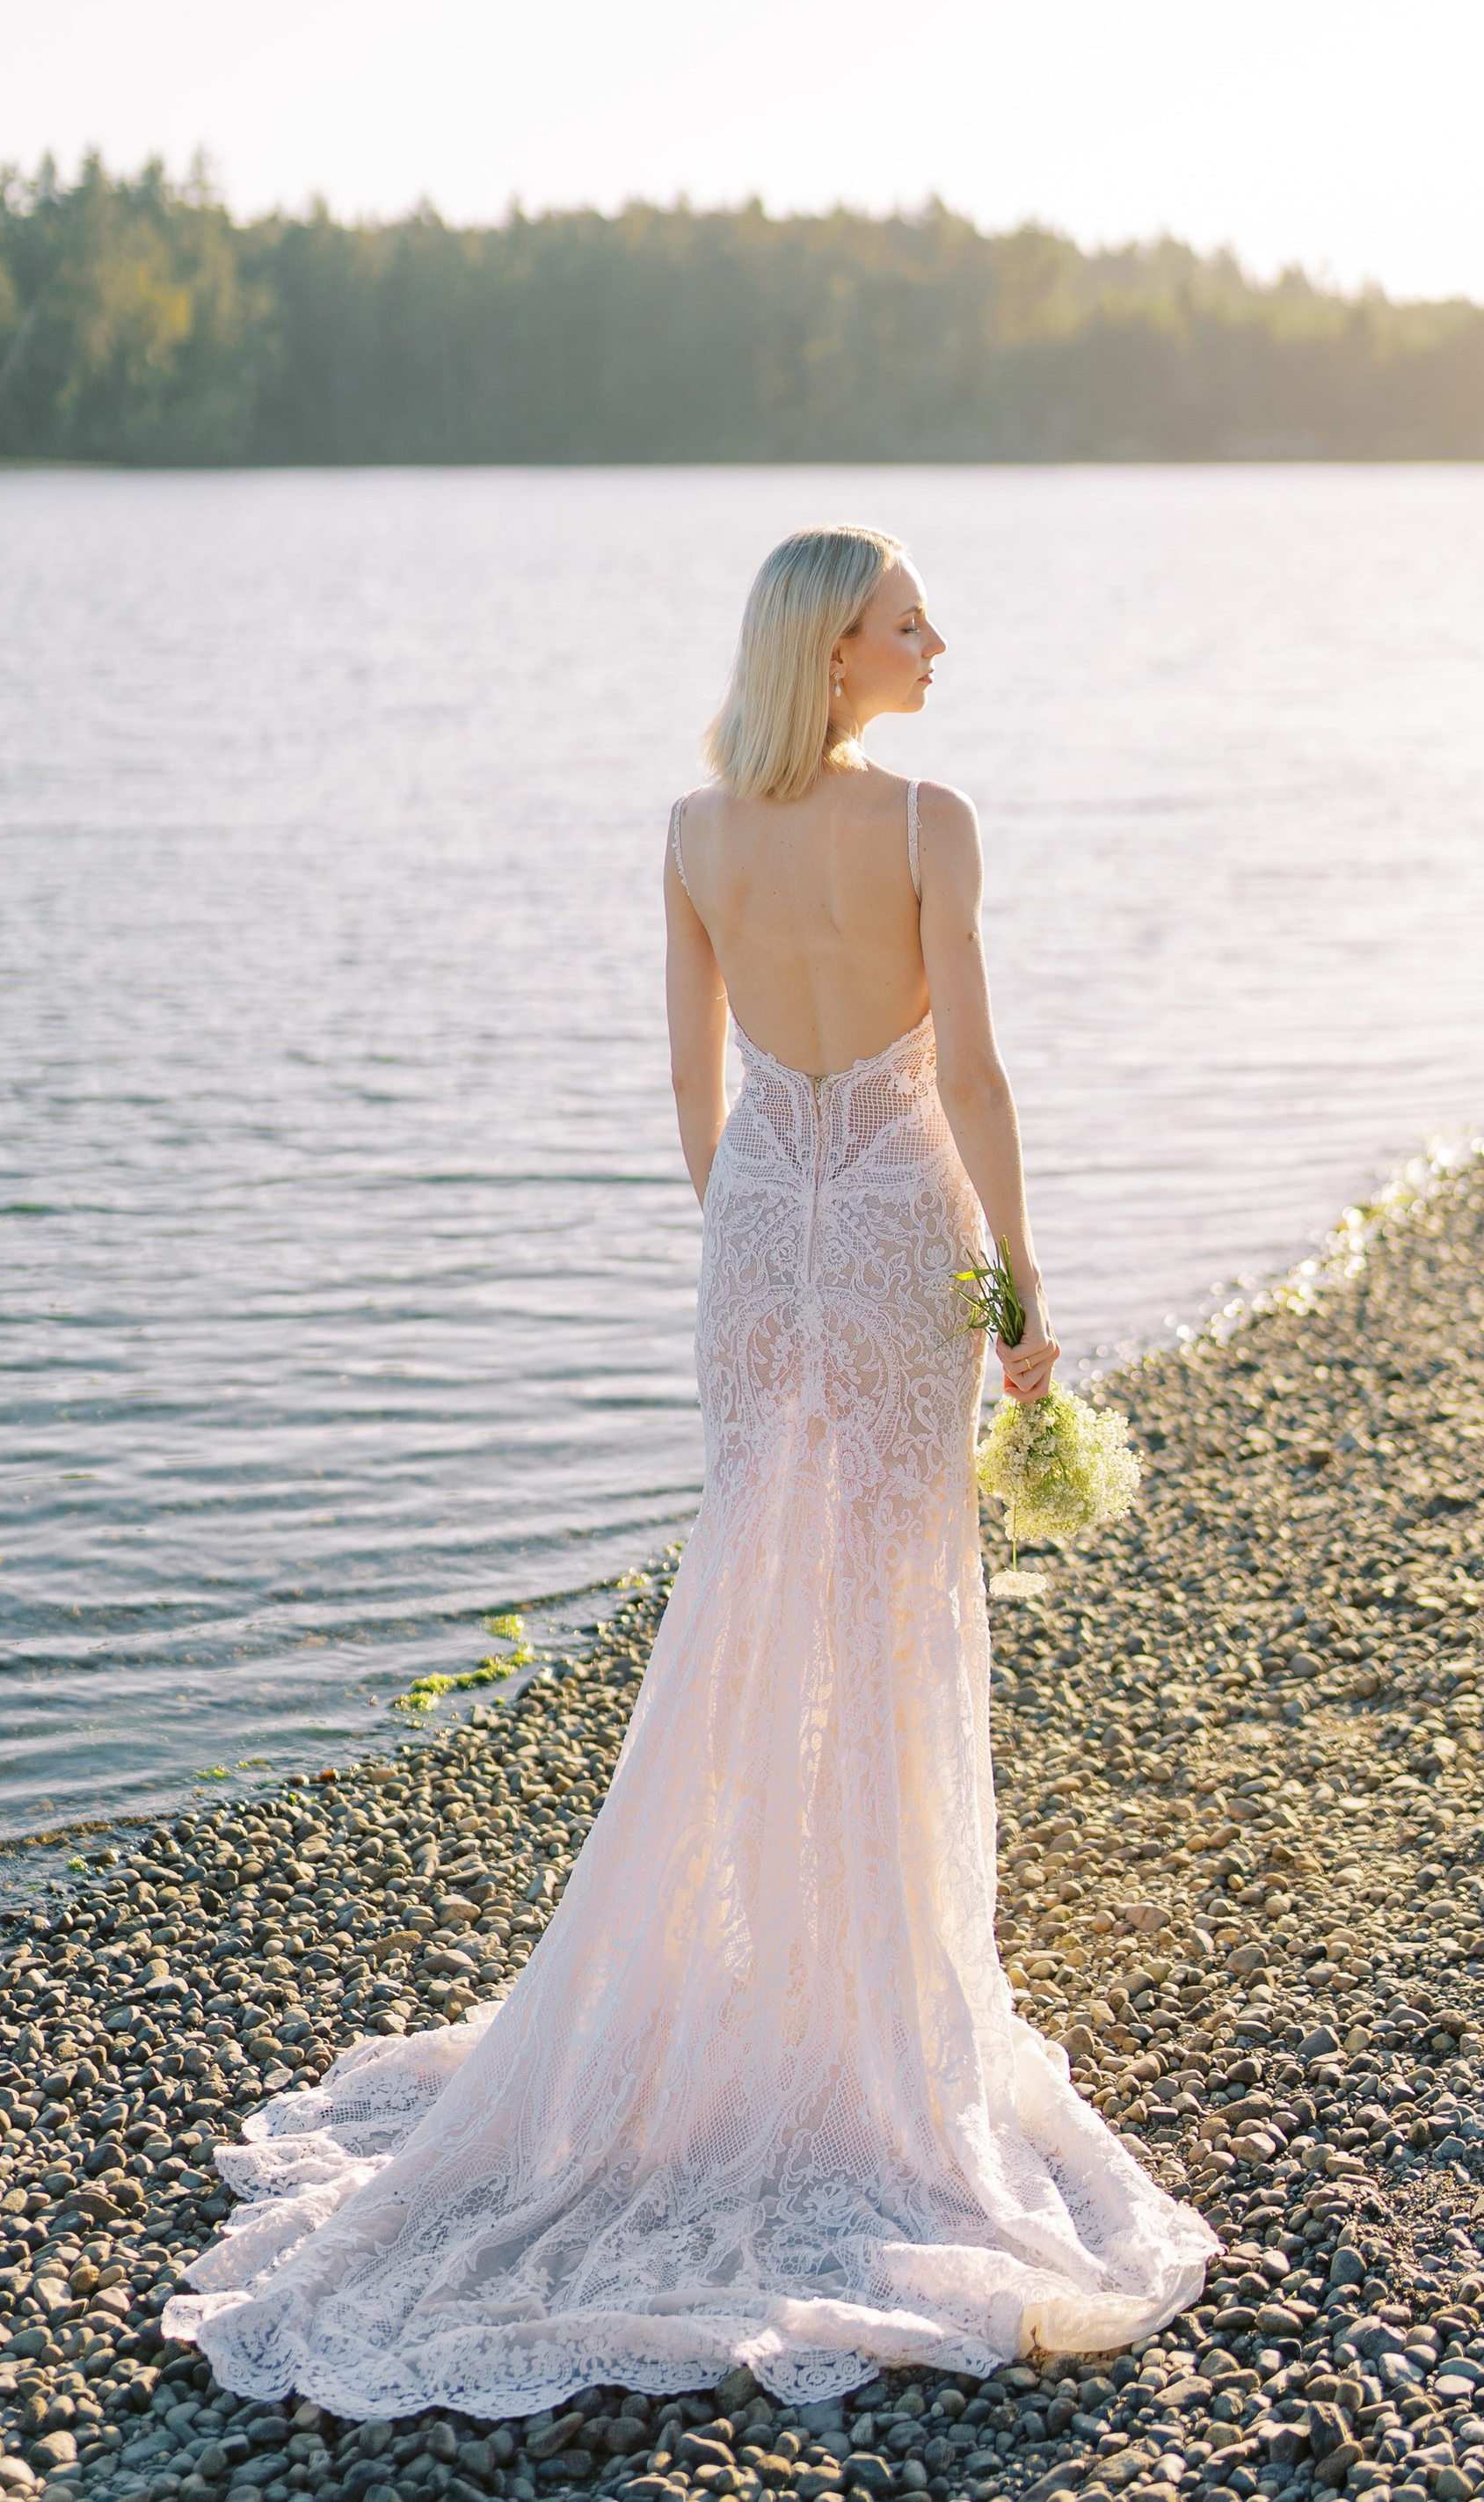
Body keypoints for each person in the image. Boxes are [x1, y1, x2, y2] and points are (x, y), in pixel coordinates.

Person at [162, 523, 1211, 2418]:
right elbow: (968, 1076)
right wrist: (1021, 1294)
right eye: (907, 621)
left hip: (758, 1232)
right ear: (828, 652)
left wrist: (759, 1222)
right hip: (896, 1219)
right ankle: (865, 2017)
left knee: (750, 1597)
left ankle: (744, 1982)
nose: (936, 640)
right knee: (888, 1612)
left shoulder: (688, 829)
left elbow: (687, 1094)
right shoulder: (925, 826)